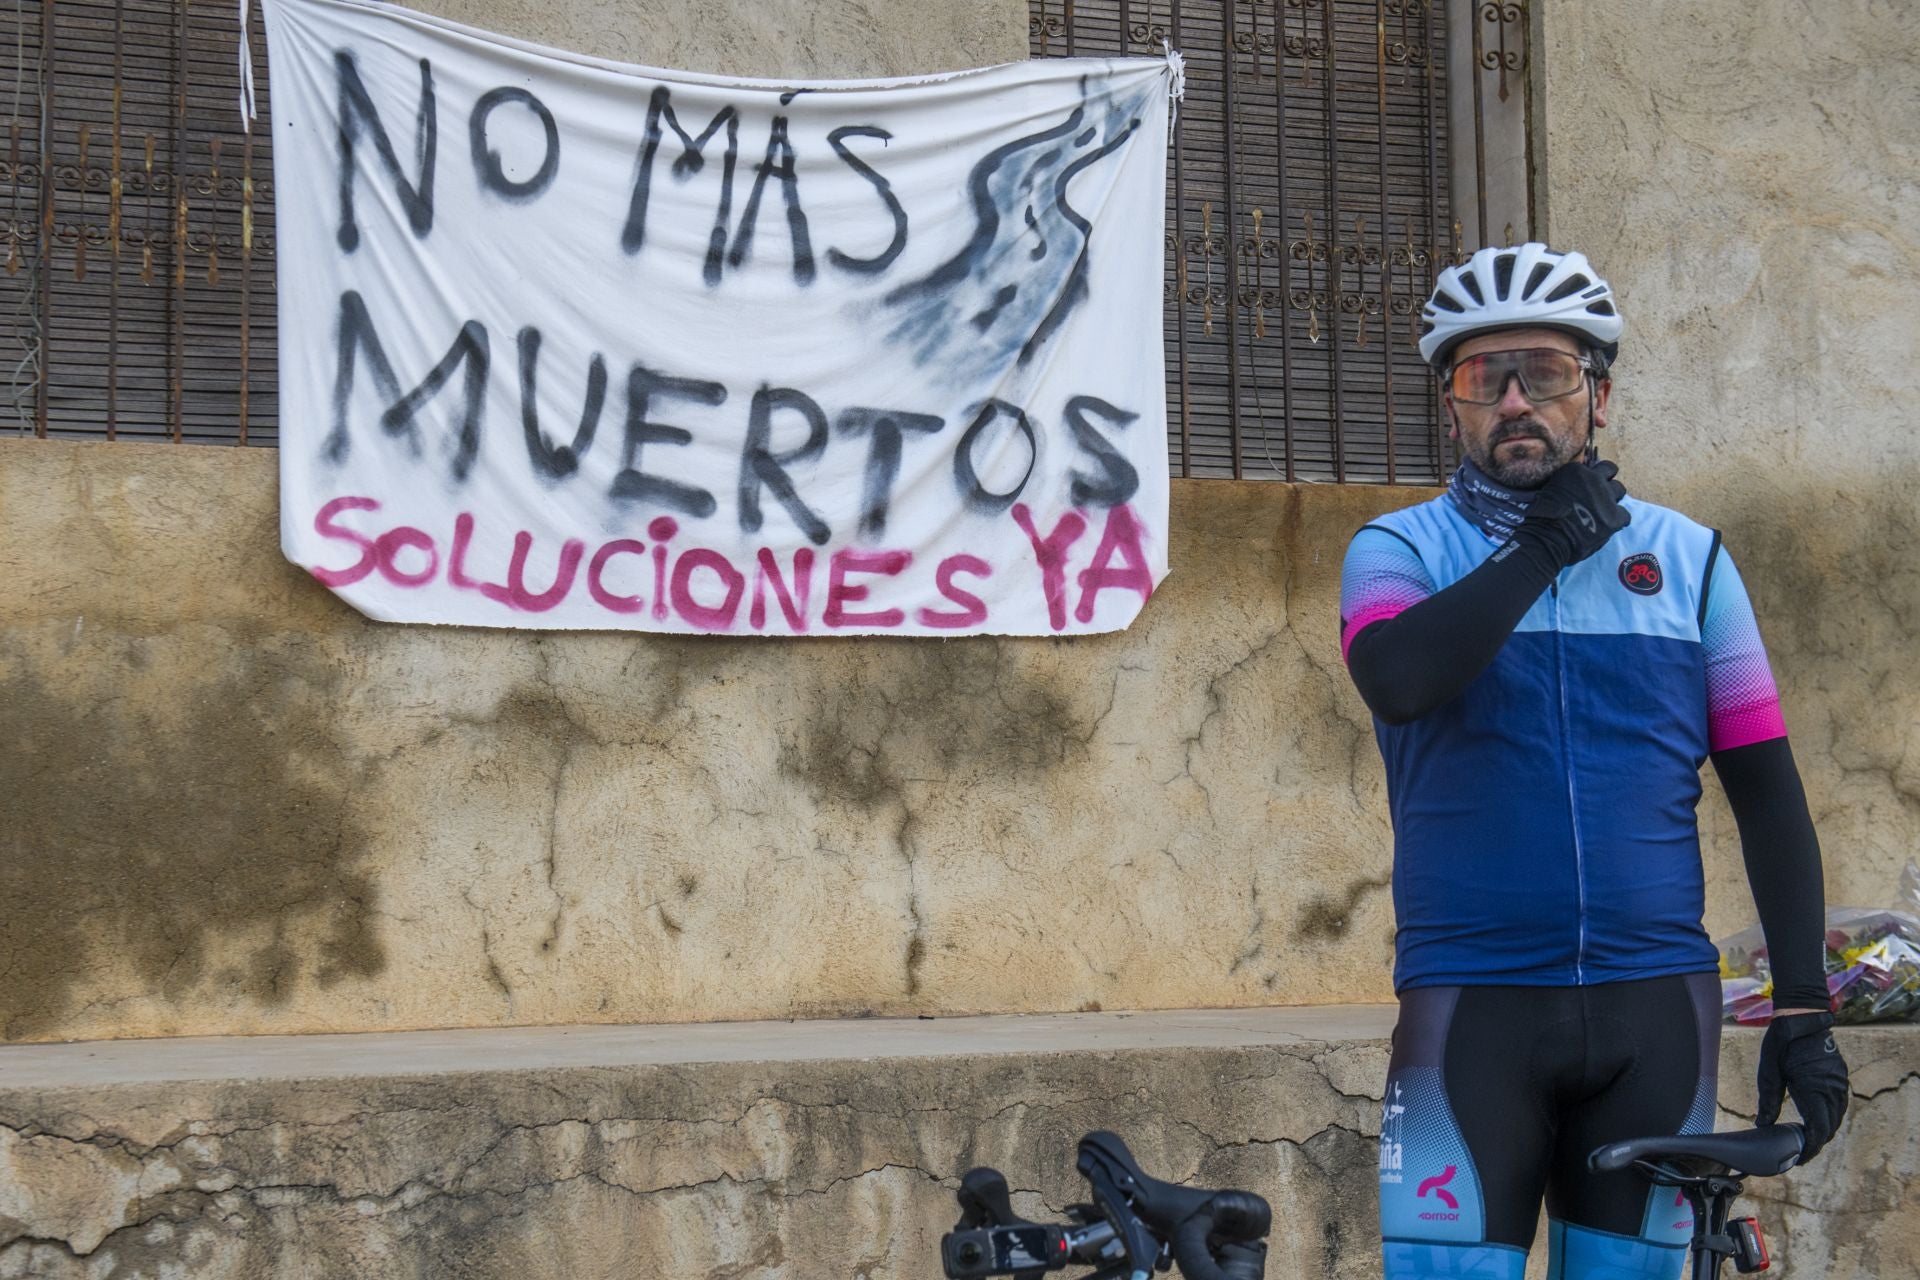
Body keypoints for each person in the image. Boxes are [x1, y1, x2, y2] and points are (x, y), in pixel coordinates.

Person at [1340, 243, 1850, 1280]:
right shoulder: (1396, 552)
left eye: (1549, 372)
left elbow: (1766, 789)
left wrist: (1804, 1004)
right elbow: (1399, 677)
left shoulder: (1692, 561)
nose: (1518, 399)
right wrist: (1541, 549)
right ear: (1453, 407)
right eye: (1487, 378)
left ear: (1600, 397)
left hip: (1654, 1008)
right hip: (1471, 1008)